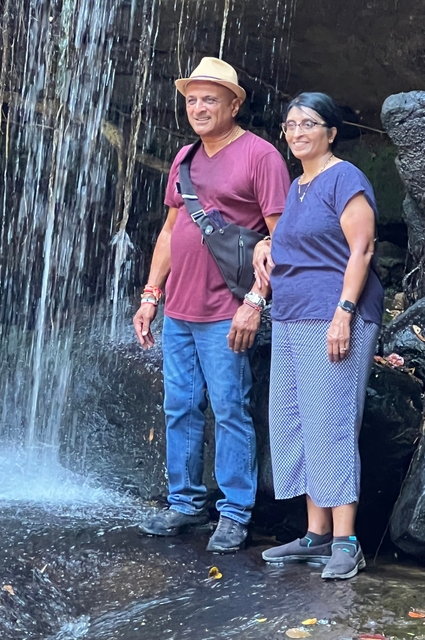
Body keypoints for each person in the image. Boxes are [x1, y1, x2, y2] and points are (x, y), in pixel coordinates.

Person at [133, 57, 290, 553]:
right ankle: (185, 504)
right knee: (179, 407)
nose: (198, 108)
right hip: (178, 309)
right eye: (192, 99)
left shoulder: (261, 156)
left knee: (230, 409)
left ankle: (235, 512)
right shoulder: (184, 159)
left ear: (234, 103)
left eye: (210, 99)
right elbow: (169, 232)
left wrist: (255, 303)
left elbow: (281, 236)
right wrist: (150, 295)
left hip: (228, 309)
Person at [254, 92, 384, 578]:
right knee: (297, 423)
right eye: (289, 125)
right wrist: (264, 245)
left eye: (308, 123)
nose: (296, 132)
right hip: (290, 315)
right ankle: (316, 535)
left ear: (330, 131)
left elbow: (363, 247)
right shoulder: (297, 186)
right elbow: (294, 240)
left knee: (330, 422)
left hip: (331, 314)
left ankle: (347, 542)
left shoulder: (344, 177)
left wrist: (344, 312)